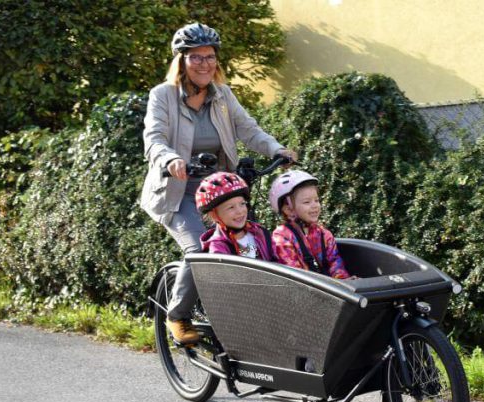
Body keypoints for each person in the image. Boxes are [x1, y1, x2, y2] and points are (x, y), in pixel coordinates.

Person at [141, 23, 296, 344]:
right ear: (181, 61)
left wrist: (276, 148)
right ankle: (178, 315)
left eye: (210, 57)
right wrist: (170, 160)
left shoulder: (222, 96)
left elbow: (249, 130)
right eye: (195, 57)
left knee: (253, 244)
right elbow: (153, 138)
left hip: (219, 191)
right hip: (176, 192)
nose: (204, 64)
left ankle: (243, 318)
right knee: (200, 250)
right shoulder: (163, 96)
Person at [269, 170, 352, 279]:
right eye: (307, 202)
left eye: (316, 200)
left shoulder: (324, 235)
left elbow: (335, 263)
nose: (314, 206)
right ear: (288, 209)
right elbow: (294, 275)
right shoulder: (282, 237)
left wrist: (344, 281)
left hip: (328, 288)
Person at [195, 171, 275, 260]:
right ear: (214, 215)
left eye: (242, 204)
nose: (240, 211)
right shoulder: (218, 247)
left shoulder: (259, 233)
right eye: (231, 207)